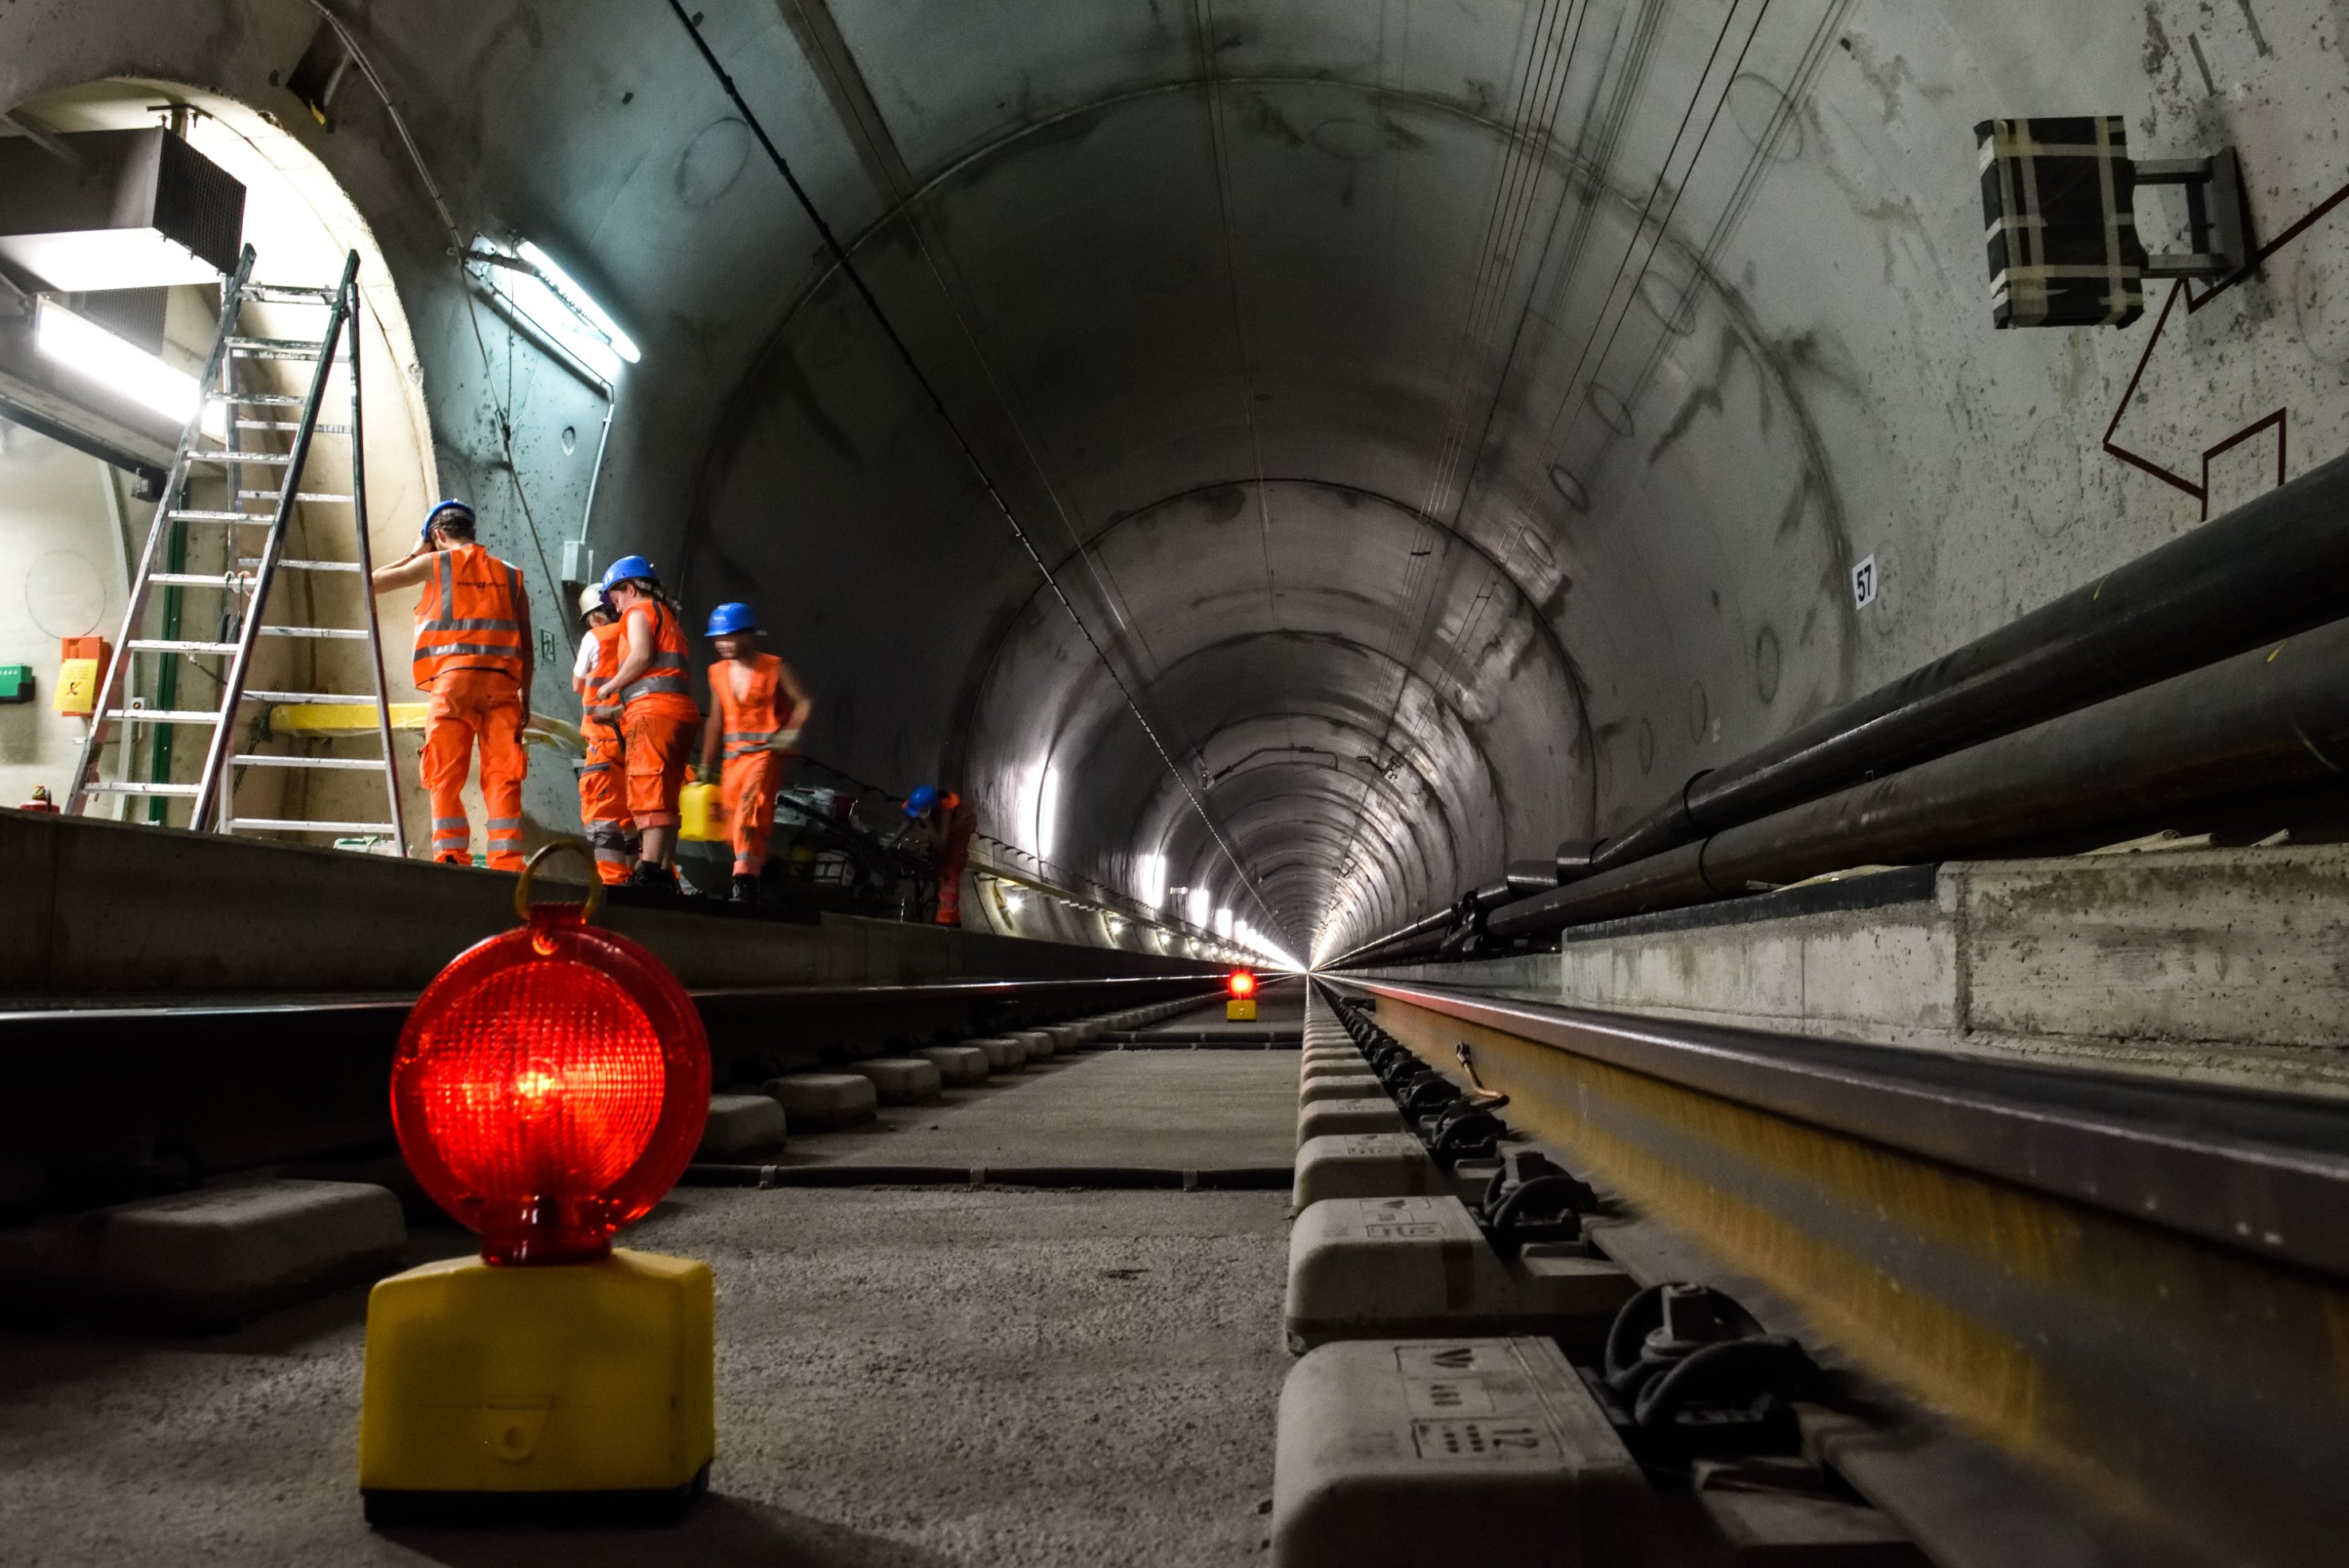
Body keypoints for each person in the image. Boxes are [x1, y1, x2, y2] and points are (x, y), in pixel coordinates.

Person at [370, 499, 532, 870]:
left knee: (444, 773)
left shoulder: (434, 564)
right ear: (472, 531)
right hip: (503, 687)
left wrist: (414, 553)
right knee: (503, 775)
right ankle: (507, 861)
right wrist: (527, 697)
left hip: (453, 685)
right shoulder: (512, 575)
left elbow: (370, 582)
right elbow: (526, 645)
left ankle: (450, 857)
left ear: (439, 536)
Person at [592, 554, 701, 891]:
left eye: (615, 596)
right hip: (677, 714)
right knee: (666, 794)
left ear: (630, 588)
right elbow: (663, 675)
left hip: (653, 714)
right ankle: (663, 871)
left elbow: (641, 655)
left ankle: (649, 870)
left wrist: (610, 687)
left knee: (647, 789)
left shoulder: (639, 613)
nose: (616, 605)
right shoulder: (668, 617)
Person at [697, 602, 814, 906]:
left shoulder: (774, 667)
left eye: (731, 636)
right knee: (731, 826)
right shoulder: (717, 673)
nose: (723, 643)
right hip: (733, 760)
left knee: (749, 816)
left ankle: (744, 884)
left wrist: (790, 731)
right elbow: (716, 720)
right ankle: (765, 872)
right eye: (718, 638)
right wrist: (705, 765)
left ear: (749, 635)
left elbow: (803, 702)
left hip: (764, 755)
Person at [571, 585, 638, 885]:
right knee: (634, 817)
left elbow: (578, 684)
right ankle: (642, 881)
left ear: (595, 618)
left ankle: (613, 882)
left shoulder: (594, 637)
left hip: (603, 741)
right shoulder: (638, 633)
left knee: (604, 815)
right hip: (637, 742)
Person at [898, 784, 977, 925]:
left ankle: (948, 919)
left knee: (950, 867)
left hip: (960, 830)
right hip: (938, 825)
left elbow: (941, 846)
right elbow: (908, 822)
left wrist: (928, 821)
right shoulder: (920, 803)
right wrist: (890, 842)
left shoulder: (948, 810)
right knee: (938, 858)